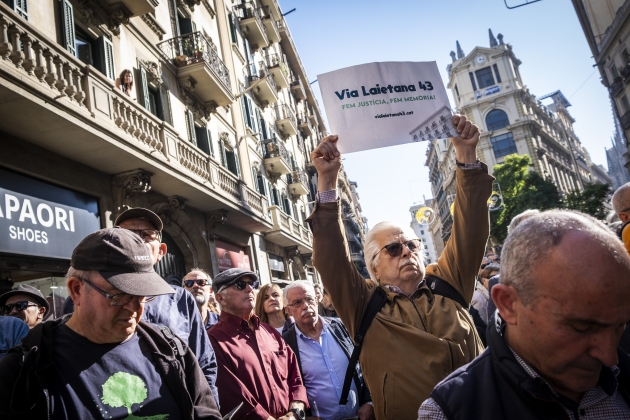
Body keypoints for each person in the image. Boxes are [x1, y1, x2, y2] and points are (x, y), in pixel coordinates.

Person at [307, 115, 492, 419]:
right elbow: (331, 260)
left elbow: (470, 230)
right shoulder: (363, 304)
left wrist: (466, 155)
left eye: (412, 245)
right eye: (393, 248)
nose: (405, 251)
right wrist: (327, 180)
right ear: (374, 267)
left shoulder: (448, 282)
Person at [418, 210, 630, 419]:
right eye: (582, 327)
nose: (610, 356)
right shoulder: (448, 411)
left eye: (619, 327)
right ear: (508, 304)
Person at [0, 227, 221, 419]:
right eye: (120, 295)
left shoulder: (171, 349)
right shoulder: (22, 371)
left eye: (142, 296)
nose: (135, 308)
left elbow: (205, 411)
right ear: (77, 290)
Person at [115, 207, 219, 405]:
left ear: (161, 251)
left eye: (147, 235)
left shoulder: (181, 299)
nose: (137, 240)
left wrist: (210, 412)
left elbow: (204, 363)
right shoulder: (91, 298)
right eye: (127, 235)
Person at [208, 268, 308, 420]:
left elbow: (295, 374)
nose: (249, 288)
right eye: (240, 285)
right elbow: (231, 396)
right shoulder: (213, 340)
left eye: (252, 284)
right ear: (220, 298)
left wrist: (296, 410)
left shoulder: (269, 332)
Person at [282, 280, 375, 420]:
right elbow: (289, 387)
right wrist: (303, 417)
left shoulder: (341, 326)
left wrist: (370, 402)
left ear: (317, 299)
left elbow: (366, 364)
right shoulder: (286, 343)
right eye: (297, 303)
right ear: (288, 310)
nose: (306, 306)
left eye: (309, 299)